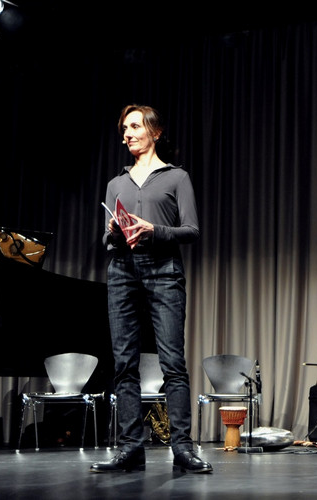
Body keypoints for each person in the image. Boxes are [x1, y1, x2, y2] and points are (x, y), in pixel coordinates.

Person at [91, 104, 212, 474]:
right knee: (124, 364)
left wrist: (153, 230)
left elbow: (191, 231)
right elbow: (105, 239)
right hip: (122, 271)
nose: (126, 134)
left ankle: (183, 448)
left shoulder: (176, 178)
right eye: (123, 128)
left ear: (155, 132)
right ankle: (130, 447)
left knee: (172, 363)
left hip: (164, 271)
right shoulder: (116, 183)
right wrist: (113, 233)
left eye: (134, 127)